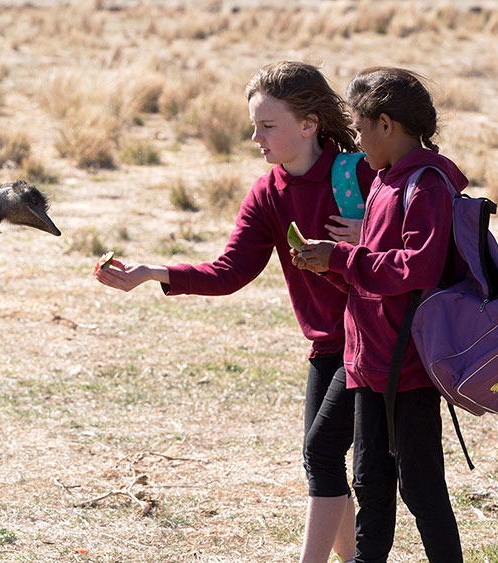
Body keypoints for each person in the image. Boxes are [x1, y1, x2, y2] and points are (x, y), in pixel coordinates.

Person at [94, 61, 375, 563]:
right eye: (254, 125)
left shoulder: (361, 175)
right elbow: (230, 271)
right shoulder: (268, 194)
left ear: (309, 124)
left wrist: (370, 237)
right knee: (323, 462)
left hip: (374, 340)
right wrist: (151, 273)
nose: (254, 137)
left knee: (324, 455)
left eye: (268, 126)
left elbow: (414, 245)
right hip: (328, 346)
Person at [292, 67, 464, 562]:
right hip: (366, 363)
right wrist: (329, 266)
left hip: (406, 367)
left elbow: (417, 268)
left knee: (422, 489)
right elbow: (377, 275)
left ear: (386, 124)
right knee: (370, 486)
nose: (358, 138)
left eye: (361, 125)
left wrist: (343, 258)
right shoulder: (387, 181)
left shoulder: (426, 185)